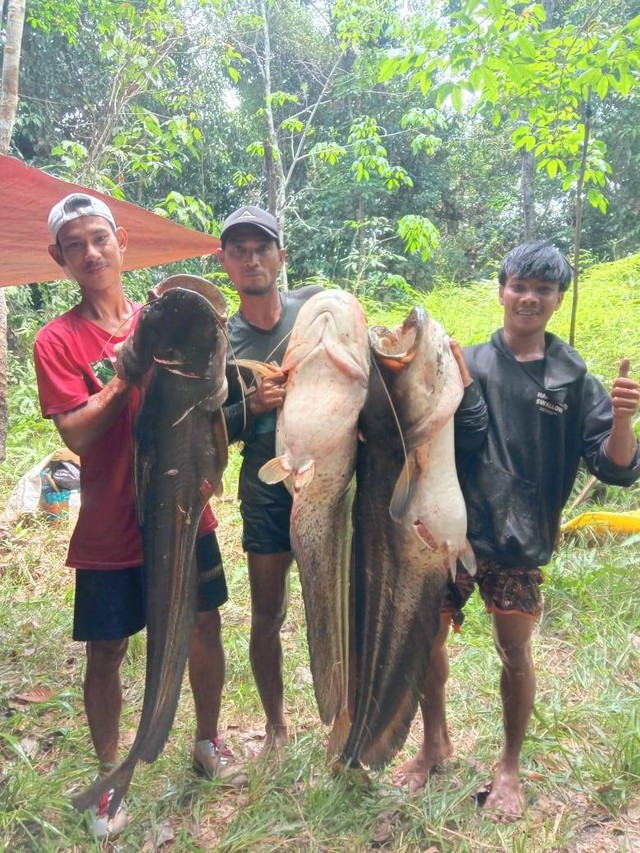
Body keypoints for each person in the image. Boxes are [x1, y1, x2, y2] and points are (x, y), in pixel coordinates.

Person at [395, 240, 640, 819]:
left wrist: (624, 419)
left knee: (515, 652)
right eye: (520, 286)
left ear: (558, 300)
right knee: (427, 640)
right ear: (502, 289)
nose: (529, 297)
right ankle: (435, 743)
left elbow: (616, 468)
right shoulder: (467, 362)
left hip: (521, 541)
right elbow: (421, 429)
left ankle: (509, 765)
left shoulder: (573, 377)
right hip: (452, 531)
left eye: (544, 289)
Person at [33, 193, 242, 838]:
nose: (91, 253)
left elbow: (214, 405)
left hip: (185, 513)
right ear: (59, 258)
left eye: (100, 238)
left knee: (204, 627)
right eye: (75, 245)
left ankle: (207, 742)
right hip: (110, 523)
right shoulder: (58, 339)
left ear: (122, 241)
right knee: (107, 650)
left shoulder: (166, 317)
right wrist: (124, 376)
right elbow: (77, 436)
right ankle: (107, 785)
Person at [217, 205, 323, 754]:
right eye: (239, 250)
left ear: (281, 257)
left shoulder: (313, 314)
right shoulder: (221, 341)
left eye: (262, 248)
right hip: (263, 489)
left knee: (331, 602)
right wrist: (252, 406)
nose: (252, 258)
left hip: (324, 484)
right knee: (268, 610)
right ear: (225, 262)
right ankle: (277, 724)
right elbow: (212, 430)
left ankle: (344, 713)